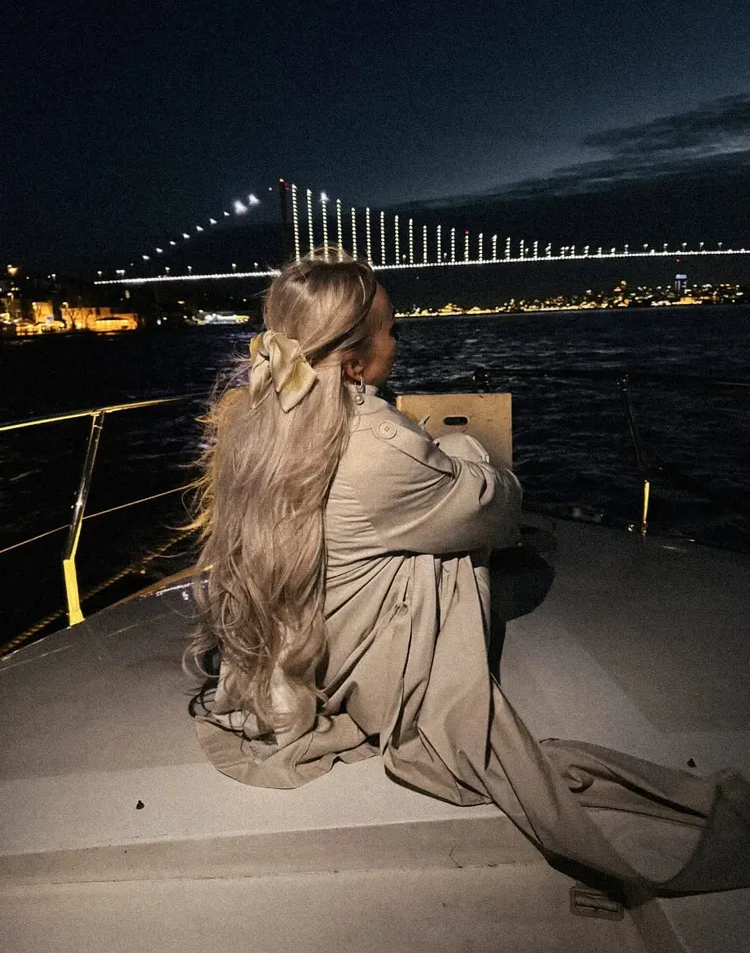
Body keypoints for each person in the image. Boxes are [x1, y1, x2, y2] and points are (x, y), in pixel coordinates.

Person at [186, 250, 750, 896]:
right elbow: (495, 511)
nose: (398, 341)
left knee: (435, 512)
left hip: (296, 641)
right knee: (464, 550)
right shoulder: (376, 447)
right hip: (354, 666)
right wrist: (469, 454)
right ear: (354, 363)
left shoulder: (258, 417)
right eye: (393, 329)